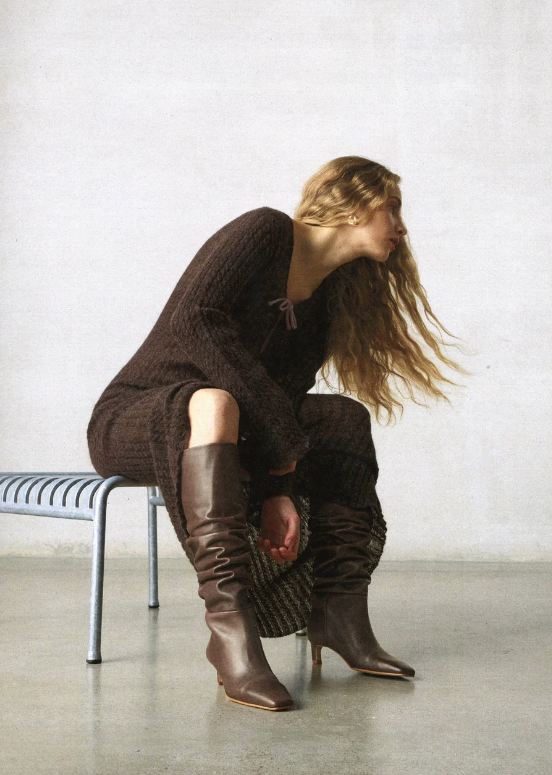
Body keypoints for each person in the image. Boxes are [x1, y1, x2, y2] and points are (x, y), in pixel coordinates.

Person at [87, 155, 465, 712]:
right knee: (214, 401)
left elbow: (282, 399)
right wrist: (282, 451)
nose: (401, 227)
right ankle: (231, 635)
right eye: (393, 209)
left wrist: (277, 488)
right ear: (355, 204)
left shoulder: (327, 300)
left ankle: (338, 614)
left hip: (234, 427)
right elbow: (194, 320)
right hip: (137, 416)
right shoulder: (264, 231)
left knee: (343, 417)